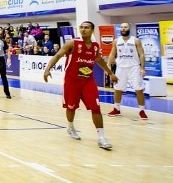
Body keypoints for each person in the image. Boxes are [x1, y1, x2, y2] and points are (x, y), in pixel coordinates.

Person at [43, 21, 117, 150]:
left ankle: (101, 138)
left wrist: (110, 73)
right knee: (71, 107)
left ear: (92, 30)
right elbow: (58, 55)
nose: (83, 30)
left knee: (96, 107)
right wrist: (47, 69)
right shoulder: (72, 43)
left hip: (88, 81)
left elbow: (99, 60)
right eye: (81, 27)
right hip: (72, 81)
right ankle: (70, 127)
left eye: (86, 28)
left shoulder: (95, 46)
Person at [107, 22, 148, 119]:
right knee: (117, 89)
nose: (123, 29)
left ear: (129, 29)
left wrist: (142, 68)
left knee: (138, 89)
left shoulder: (136, 40)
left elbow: (141, 54)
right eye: (121, 27)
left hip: (134, 67)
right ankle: (116, 109)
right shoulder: (116, 41)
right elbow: (112, 54)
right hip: (121, 68)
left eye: (125, 27)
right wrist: (108, 66)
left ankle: (142, 110)